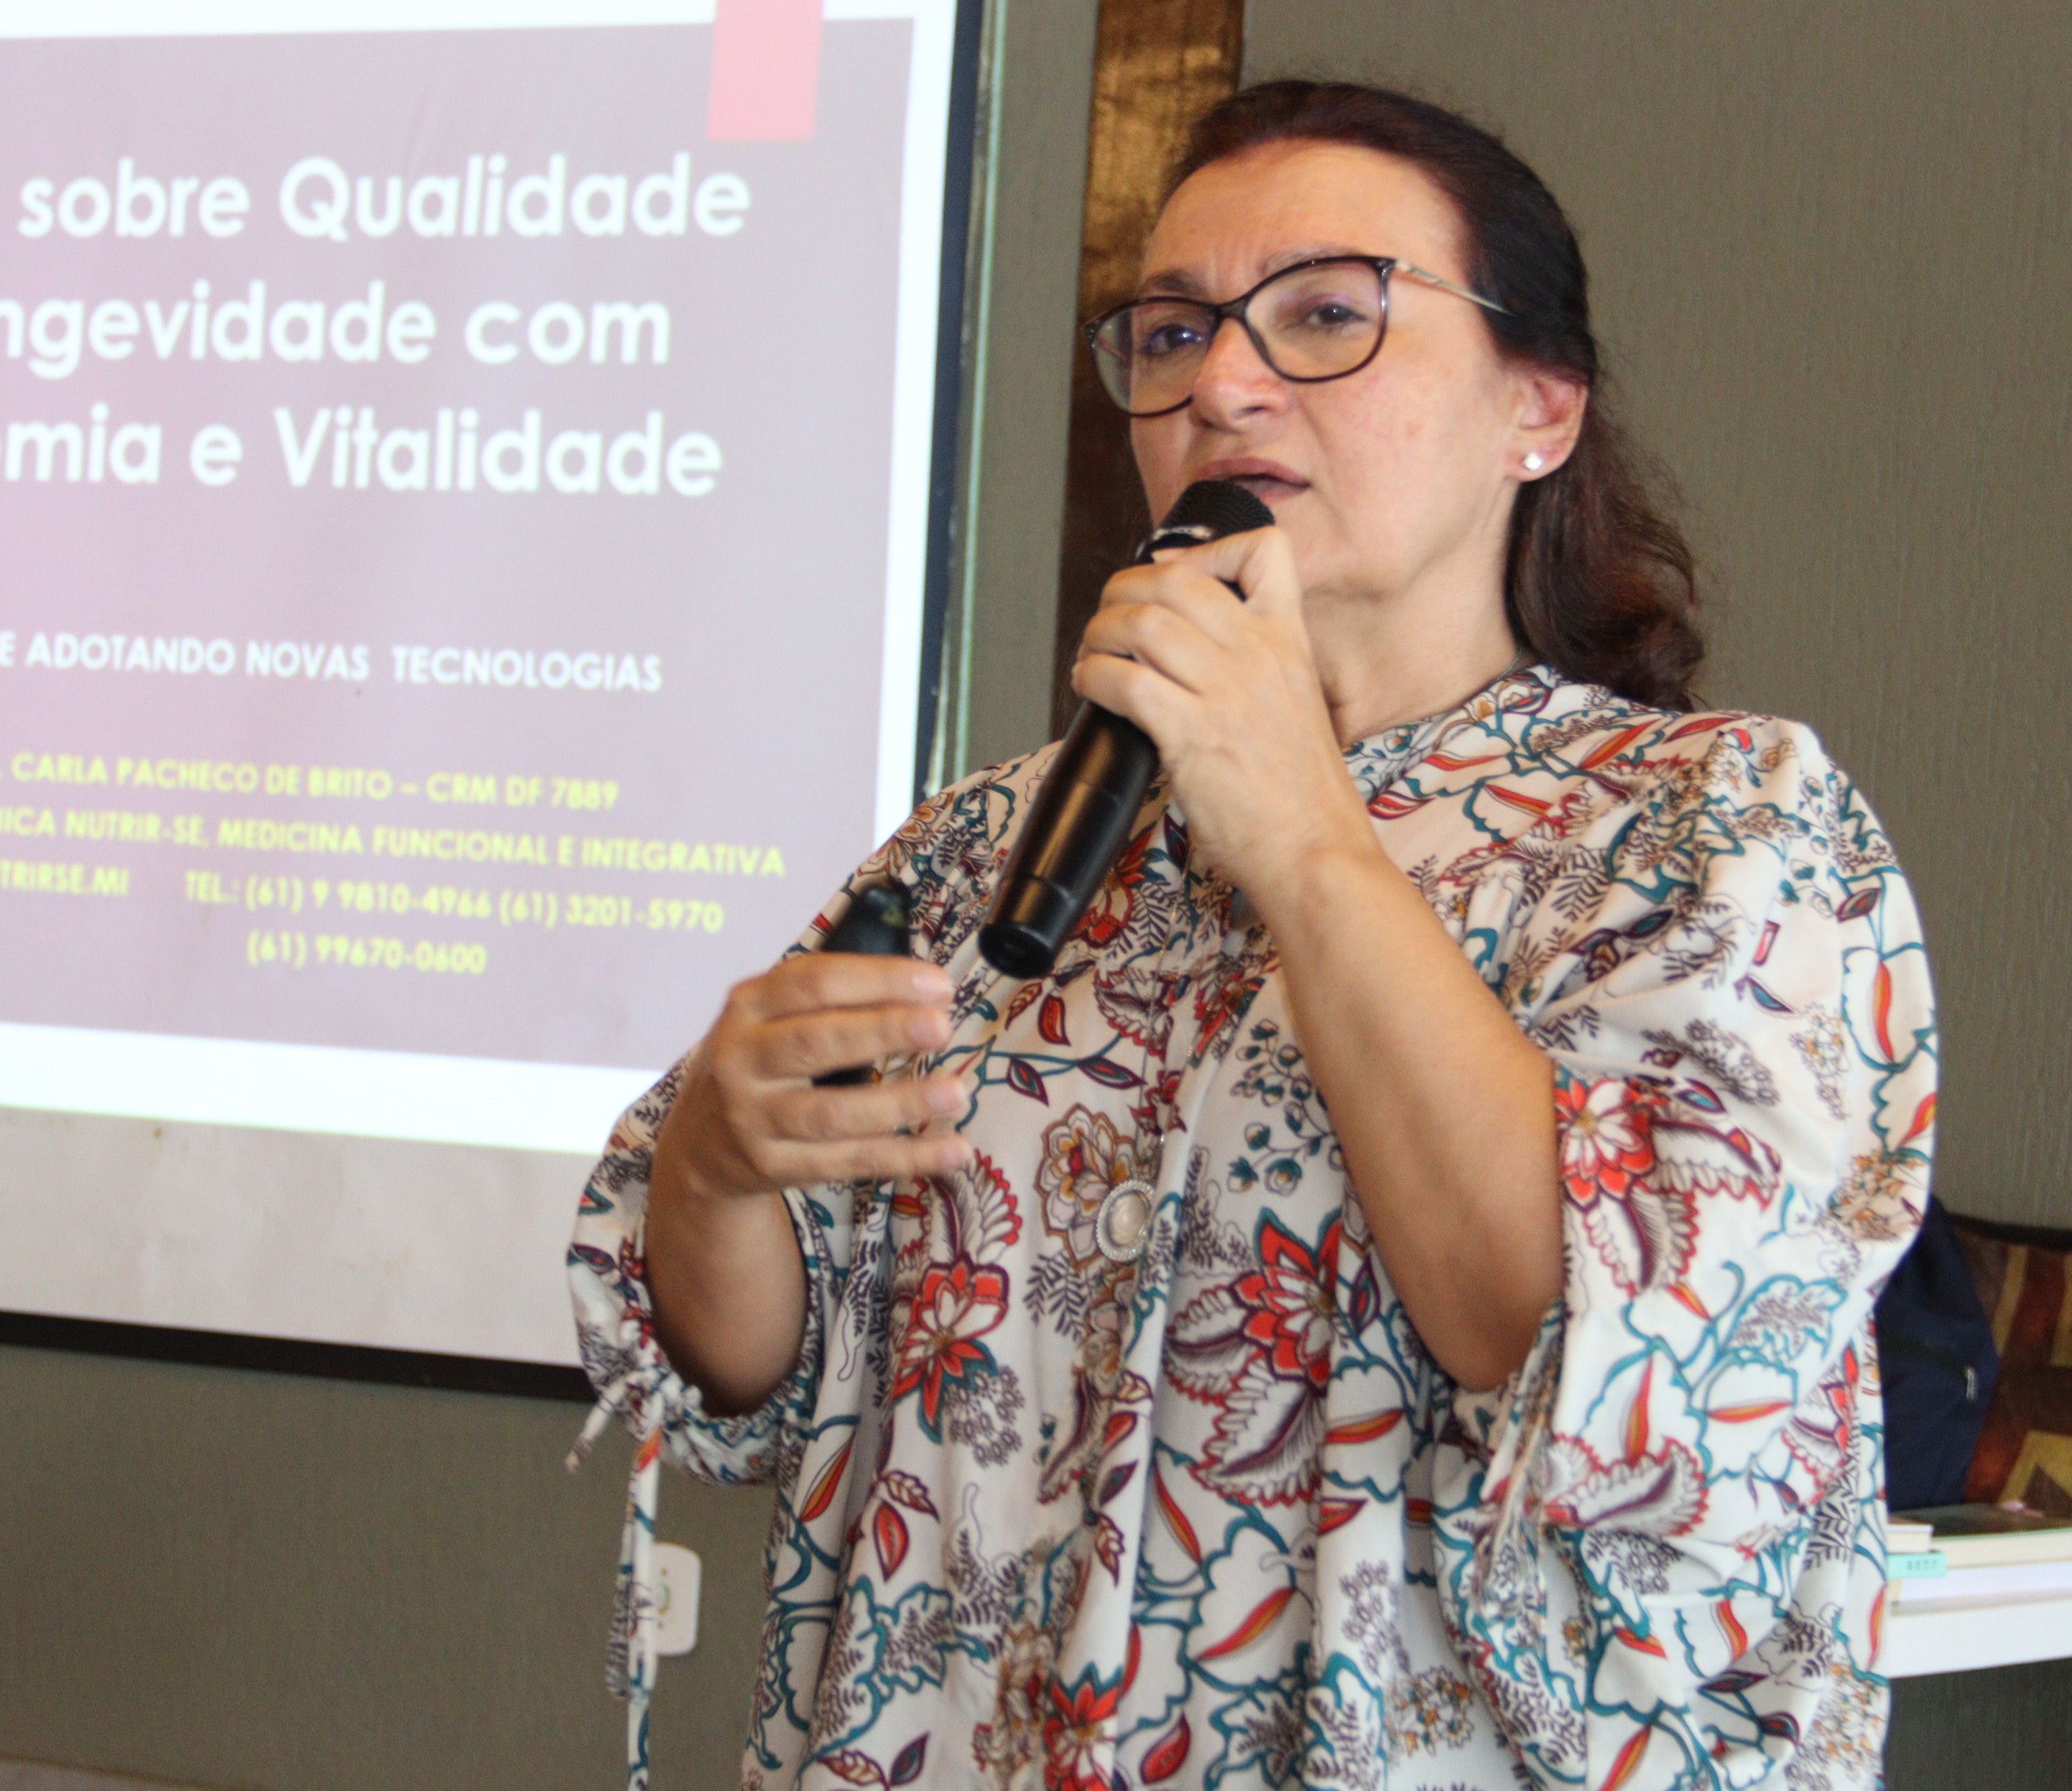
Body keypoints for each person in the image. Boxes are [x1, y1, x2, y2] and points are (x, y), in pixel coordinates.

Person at [570, 80, 1936, 1791]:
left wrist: (1299, 826)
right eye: (1172, 332)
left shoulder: (1718, 829)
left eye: (1326, 315)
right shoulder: (987, 845)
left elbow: (1580, 1347)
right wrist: (715, 1163)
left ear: (1539, 407)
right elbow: (762, 1378)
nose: (1222, 382)